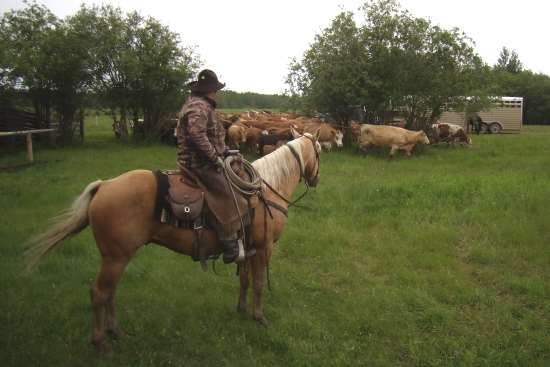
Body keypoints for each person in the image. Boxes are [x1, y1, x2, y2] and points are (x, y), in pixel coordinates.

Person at [176, 69, 244, 264]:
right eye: (216, 89)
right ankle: (229, 243)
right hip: (198, 164)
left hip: (203, 160)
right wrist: (215, 159)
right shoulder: (199, 107)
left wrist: (226, 151)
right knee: (227, 193)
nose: (217, 93)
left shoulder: (202, 105)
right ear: (209, 90)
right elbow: (197, 135)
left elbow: (210, 136)